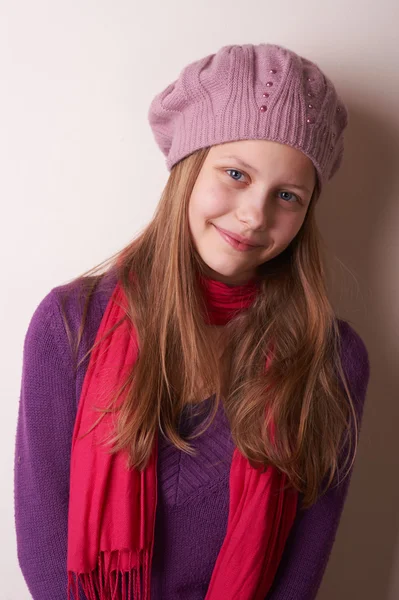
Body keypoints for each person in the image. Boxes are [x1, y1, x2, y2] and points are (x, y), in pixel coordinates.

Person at [14, 43, 370, 600]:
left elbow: (301, 571)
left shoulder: (332, 359)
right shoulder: (70, 325)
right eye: (234, 173)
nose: (255, 214)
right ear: (187, 170)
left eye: (287, 195)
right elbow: (43, 541)